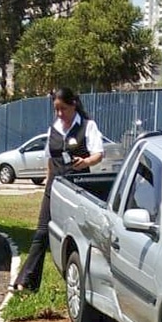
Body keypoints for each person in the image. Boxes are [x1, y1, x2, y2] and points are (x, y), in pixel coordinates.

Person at [10, 88, 104, 293]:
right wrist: (47, 182)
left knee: (79, 236)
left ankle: (87, 286)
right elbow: (50, 159)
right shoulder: (54, 127)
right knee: (42, 231)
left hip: (77, 186)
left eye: (63, 108)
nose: (60, 113)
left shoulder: (88, 126)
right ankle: (26, 282)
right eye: (56, 109)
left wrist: (85, 161)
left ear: (74, 105)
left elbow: (99, 154)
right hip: (55, 185)